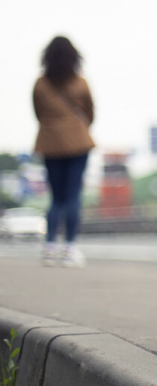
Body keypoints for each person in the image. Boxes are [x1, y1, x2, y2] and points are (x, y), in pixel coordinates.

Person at [33, 36, 95, 267]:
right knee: (72, 196)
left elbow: (38, 113)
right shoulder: (80, 83)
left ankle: (49, 247)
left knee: (56, 198)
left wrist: (53, 128)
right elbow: (90, 112)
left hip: (50, 143)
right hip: (78, 142)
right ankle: (69, 248)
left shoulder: (40, 84)